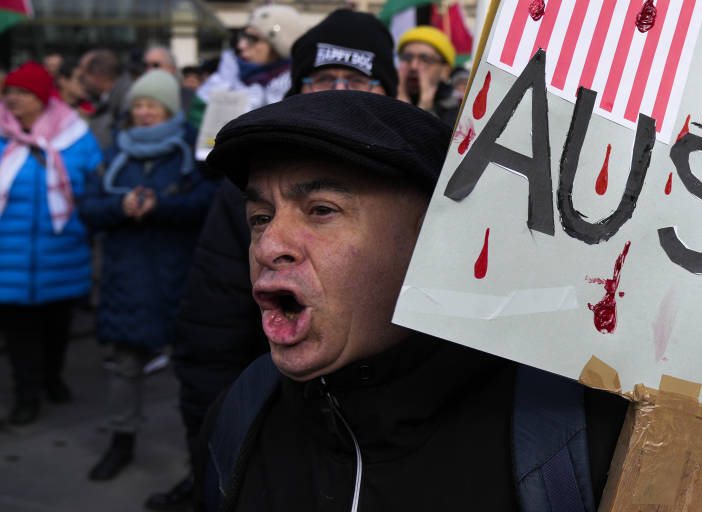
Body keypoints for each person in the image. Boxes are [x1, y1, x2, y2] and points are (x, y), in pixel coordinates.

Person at [194, 90, 630, 511]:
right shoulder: (241, 416)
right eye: (260, 217)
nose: (269, 245)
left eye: (321, 210)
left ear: (430, 239)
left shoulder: (575, 435)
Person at [151, 9, 399, 511]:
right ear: (297, 89)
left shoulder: (423, 187)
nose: (338, 92)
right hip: (282, 440)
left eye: (356, 80)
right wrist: (217, 461)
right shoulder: (242, 192)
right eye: (322, 78)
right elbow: (211, 336)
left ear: (389, 93)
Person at [78, 70, 217, 480]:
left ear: (170, 109)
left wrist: (162, 206)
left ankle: (198, 455)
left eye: (152, 104)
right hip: (127, 277)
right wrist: (119, 208)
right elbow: (88, 207)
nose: (143, 112)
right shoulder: (116, 151)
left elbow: (209, 203)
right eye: (138, 105)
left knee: (192, 374)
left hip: (179, 276)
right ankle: (121, 440)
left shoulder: (192, 152)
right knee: (125, 367)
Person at [0, 62, 102, 425]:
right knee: (19, 334)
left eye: (22, 92)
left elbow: (95, 189)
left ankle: (52, 378)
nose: (13, 98)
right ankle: (26, 395)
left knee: (57, 328)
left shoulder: (76, 137)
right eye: (9, 92)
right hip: (9, 259)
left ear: (42, 98)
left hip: (62, 254)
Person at [188, 4, 304, 129]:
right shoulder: (227, 77)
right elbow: (194, 126)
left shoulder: (297, 88)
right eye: (243, 36)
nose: (241, 45)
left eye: (252, 38)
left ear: (278, 46)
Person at [395, 25, 457, 124]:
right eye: (407, 58)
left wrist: (424, 111)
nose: (413, 66)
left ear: (445, 71)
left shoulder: (458, 117)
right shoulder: (381, 100)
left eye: (425, 59)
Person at [78, 49, 132, 150]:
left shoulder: (126, 100)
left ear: (97, 75)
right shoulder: (107, 98)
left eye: (84, 75)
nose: (83, 80)